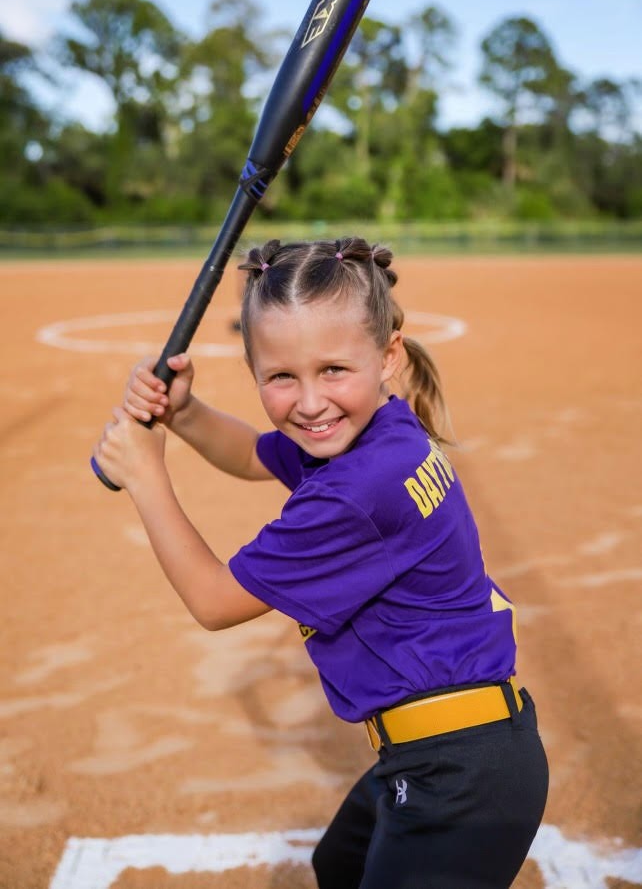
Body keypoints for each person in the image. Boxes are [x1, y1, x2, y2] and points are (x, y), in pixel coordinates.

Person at [94, 236, 548, 889]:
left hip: (459, 777)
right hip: (450, 753)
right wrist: (184, 412)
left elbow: (215, 602)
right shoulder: (383, 431)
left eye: (333, 370)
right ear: (255, 373)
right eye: (281, 377)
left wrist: (145, 478)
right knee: (339, 864)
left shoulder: (359, 490)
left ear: (388, 354)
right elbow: (256, 454)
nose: (309, 403)